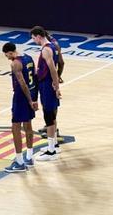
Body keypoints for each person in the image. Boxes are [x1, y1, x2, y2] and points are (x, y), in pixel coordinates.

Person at [3, 41, 39, 173]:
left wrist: (29, 100)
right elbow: (35, 79)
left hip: (21, 96)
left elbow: (23, 83)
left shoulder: (15, 63)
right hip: (32, 92)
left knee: (15, 128)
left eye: (7, 55)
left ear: (10, 52)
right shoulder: (29, 58)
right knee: (28, 125)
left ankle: (19, 162)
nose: (7, 58)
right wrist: (35, 98)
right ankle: (29, 157)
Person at [31, 26, 63, 158]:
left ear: (39, 36)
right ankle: (54, 144)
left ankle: (51, 151)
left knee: (48, 116)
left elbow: (53, 69)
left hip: (47, 86)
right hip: (48, 84)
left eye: (33, 38)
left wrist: (56, 86)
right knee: (52, 116)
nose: (33, 41)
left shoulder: (46, 50)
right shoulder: (54, 46)